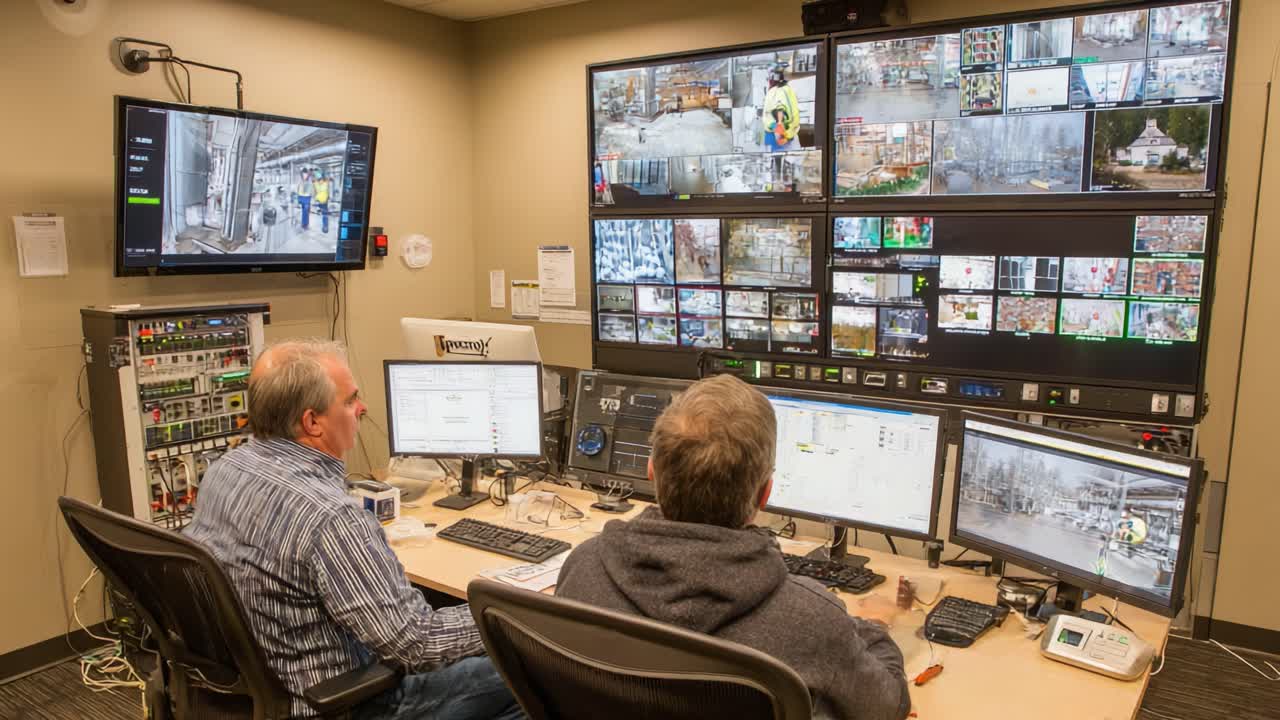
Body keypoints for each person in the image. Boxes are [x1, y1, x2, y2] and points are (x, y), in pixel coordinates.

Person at [184, 340, 523, 720]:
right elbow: (417, 644)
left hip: (256, 687)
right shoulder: (331, 518)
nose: (361, 408)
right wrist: (516, 612)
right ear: (312, 422)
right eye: (350, 400)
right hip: (345, 701)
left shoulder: (226, 469)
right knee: (532, 670)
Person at [555, 374, 911, 720]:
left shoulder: (583, 567)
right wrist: (874, 628)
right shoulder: (811, 619)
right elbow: (887, 708)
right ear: (766, 493)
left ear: (651, 471)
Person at [761, 63, 801, 152]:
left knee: (780, 160)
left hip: (780, 135)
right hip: (783, 134)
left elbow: (780, 109)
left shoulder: (778, 91)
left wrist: (780, 131)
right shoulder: (787, 90)